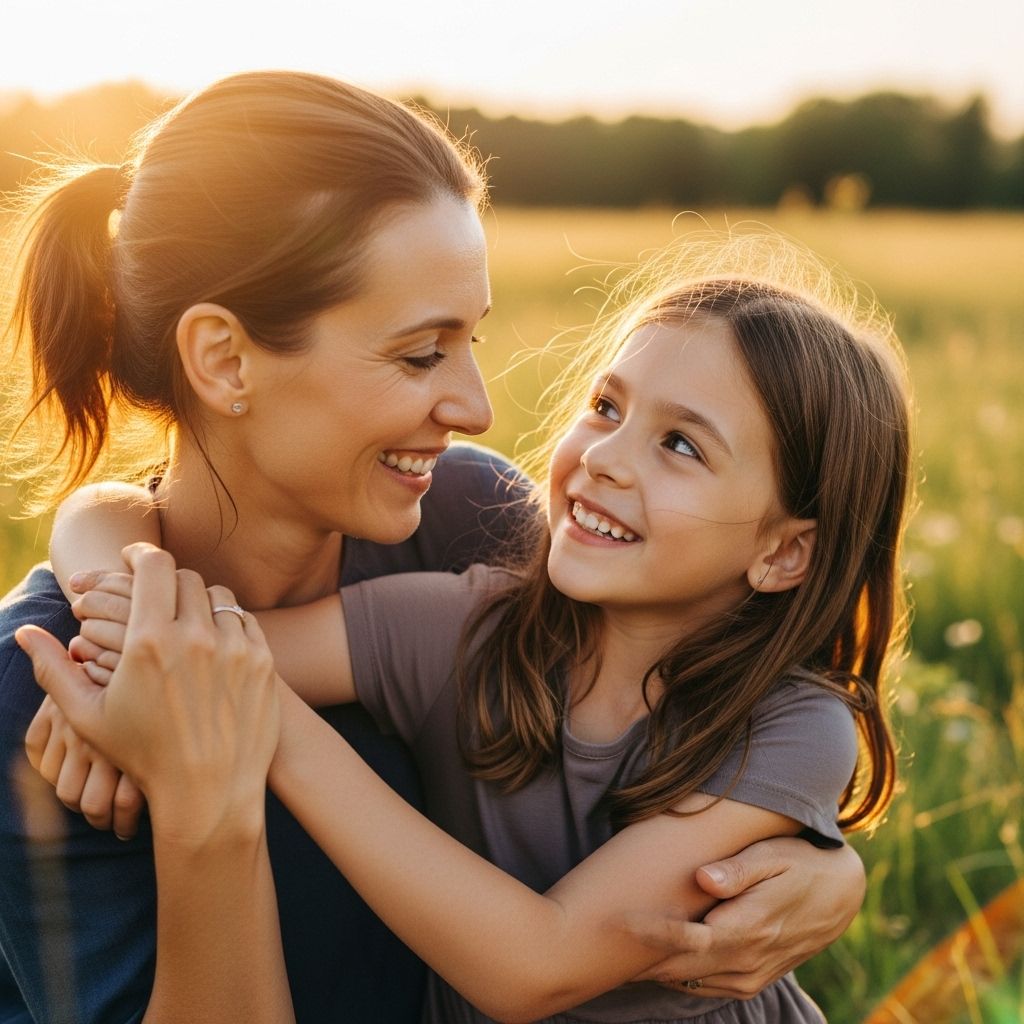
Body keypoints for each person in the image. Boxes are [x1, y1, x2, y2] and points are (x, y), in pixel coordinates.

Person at [0, 69, 865, 1023]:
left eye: (471, 343)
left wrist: (828, 864)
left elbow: (697, 675)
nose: (477, 409)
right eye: (420, 353)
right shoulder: (33, 695)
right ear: (224, 359)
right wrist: (194, 781)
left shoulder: (463, 520)